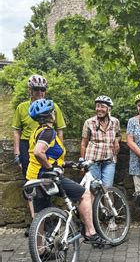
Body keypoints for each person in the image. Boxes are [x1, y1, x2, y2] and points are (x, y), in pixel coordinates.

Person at [26, 99, 105, 244]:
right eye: (53, 111)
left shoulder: (37, 131)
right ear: (50, 115)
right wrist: (51, 169)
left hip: (33, 178)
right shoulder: (48, 132)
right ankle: (90, 232)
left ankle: (40, 249)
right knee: (84, 194)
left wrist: (66, 164)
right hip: (46, 178)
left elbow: (47, 155)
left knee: (39, 216)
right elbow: (39, 153)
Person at [12, 74, 66, 227]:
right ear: (30, 90)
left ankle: (45, 219)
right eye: (36, 89)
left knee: (48, 181)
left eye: (42, 90)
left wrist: (59, 151)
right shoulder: (22, 107)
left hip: (46, 145)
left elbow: (59, 130)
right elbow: (16, 131)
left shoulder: (52, 106)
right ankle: (37, 222)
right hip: (27, 144)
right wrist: (17, 153)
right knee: (31, 183)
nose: (39, 92)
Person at [80, 96, 121, 187]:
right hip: (92, 160)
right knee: (93, 188)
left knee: (107, 189)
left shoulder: (115, 122)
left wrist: (116, 141)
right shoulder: (89, 122)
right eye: (97, 106)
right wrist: (82, 163)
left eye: (102, 106)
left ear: (108, 109)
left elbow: (118, 135)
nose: (99, 109)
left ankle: (108, 202)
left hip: (109, 160)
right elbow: (83, 144)